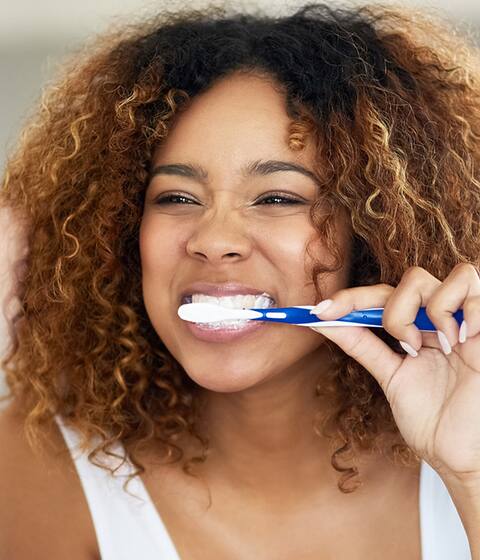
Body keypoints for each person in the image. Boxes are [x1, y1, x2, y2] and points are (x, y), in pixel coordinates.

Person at [1, 2, 480, 558]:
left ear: (374, 235)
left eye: (277, 197)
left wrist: (472, 477)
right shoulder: (33, 469)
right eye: (176, 197)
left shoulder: (468, 432)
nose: (213, 238)